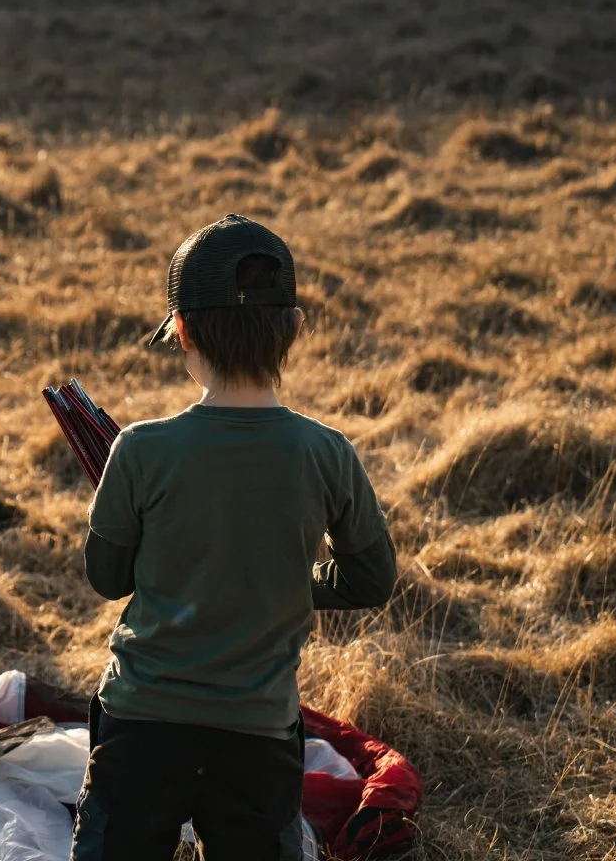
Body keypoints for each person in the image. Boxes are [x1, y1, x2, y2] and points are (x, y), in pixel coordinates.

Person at [70, 214, 398, 861]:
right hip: (258, 735)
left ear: (183, 330)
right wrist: (282, 583)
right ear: (295, 328)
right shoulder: (329, 454)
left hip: (140, 727)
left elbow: (108, 579)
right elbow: (372, 580)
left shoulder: (138, 450)